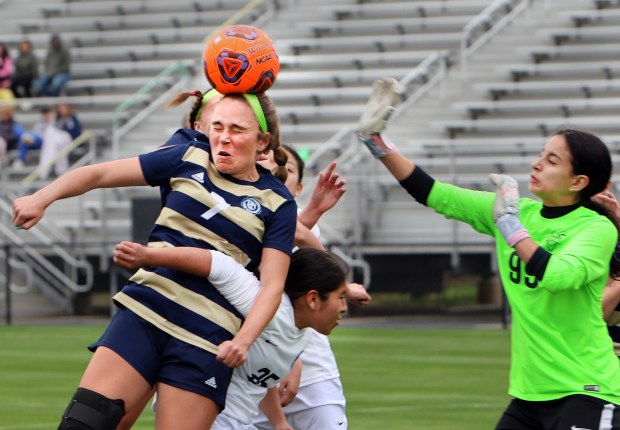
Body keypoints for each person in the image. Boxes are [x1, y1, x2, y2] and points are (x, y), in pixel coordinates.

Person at [12, 91, 297, 429]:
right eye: (217, 126)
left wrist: (243, 340)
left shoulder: (278, 203)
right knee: (81, 424)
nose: (223, 137)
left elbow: (272, 286)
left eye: (237, 130)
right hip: (144, 314)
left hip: (206, 340)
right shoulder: (188, 156)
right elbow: (99, 174)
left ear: (263, 141)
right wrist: (42, 197)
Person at [357, 77, 620, 429]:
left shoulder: (595, 227)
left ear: (578, 182)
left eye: (552, 160)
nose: (538, 163)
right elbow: (435, 193)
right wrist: (377, 143)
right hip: (530, 393)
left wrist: (510, 227)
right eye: (541, 154)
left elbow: (559, 276)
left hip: (586, 389)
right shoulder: (519, 211)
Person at [113, 242, 348, 430]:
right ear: (313, 299)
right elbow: (217, 264)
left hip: (236, 422)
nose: (344, 307)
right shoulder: (270, 307)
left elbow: (255, 380)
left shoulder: (303, 332)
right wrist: (148, 256)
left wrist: (279, 423)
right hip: (202, 414)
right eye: (341, 296)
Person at [254, 145, 368, 430]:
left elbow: (298, 235)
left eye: (287, 169)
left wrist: (341, 287)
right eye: (272, 167)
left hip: (313, 365)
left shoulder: (305, 224)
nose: (279, 173)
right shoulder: (244, 217)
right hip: (257, 364)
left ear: (298, 187)